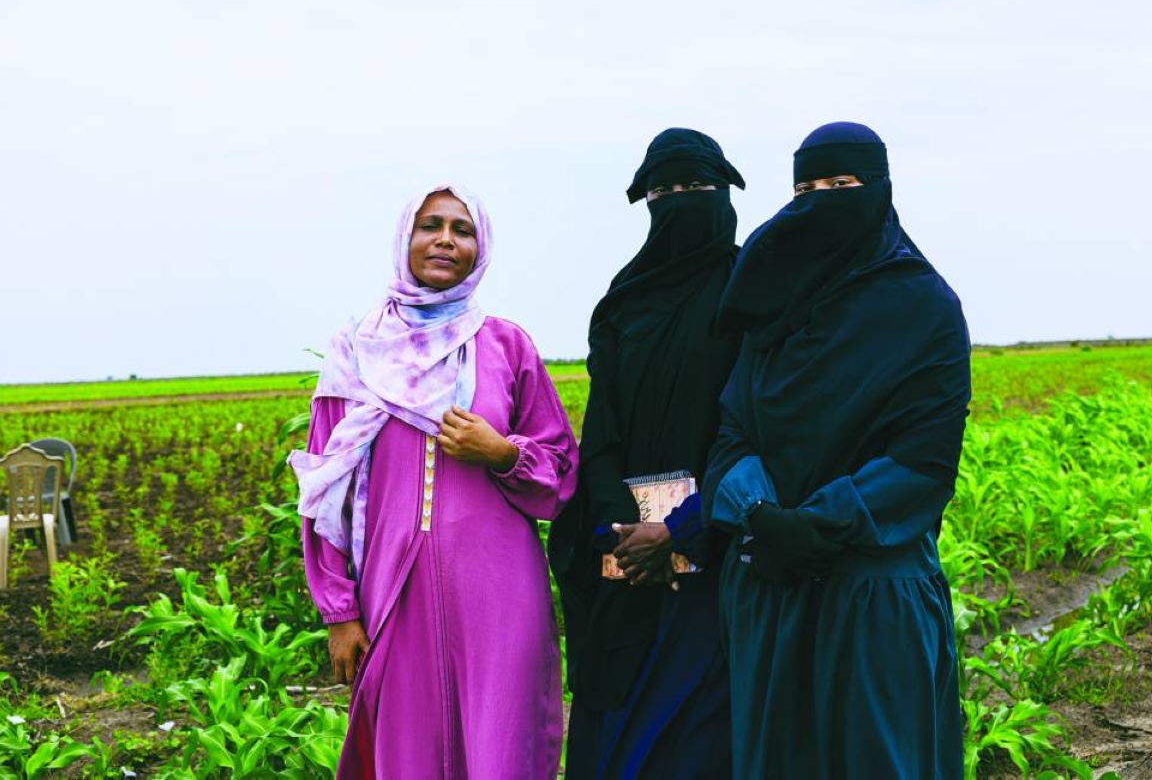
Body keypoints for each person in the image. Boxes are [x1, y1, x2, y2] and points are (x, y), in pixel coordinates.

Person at [703, 122, 971, 779]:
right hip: (772, 580)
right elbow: (732, 427)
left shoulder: (924, 308)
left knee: (877, 757)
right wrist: (761, 512)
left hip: (870, 586)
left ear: (879, 190)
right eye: (806, 187)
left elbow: (923, 462)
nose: (820, 201)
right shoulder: (773, 307)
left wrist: (818, 524)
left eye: (841, 185)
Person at [290, 183, 579, 779]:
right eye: (430, 226)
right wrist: (338, 612)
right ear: (405, 238)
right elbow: (324, 490)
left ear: (481, 247)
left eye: (463, 229)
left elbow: (561, 472)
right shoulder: (357, 350)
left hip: (499, 593)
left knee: (500, 738)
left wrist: (501, 452)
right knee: (406, 747)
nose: (446, 240)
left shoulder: (505, 345)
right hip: (392, 589)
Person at [549, 128, 744, 779]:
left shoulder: (752, 294)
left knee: (698, 741)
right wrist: (619, 533)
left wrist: (681, 531)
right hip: (628, 564)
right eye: (664, 189)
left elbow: (754, 431)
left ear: (725, 191)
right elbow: (600, 432)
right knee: (618, 736)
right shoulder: (625, 304)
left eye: (695, 187)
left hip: (717, 562)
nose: (679, 200)